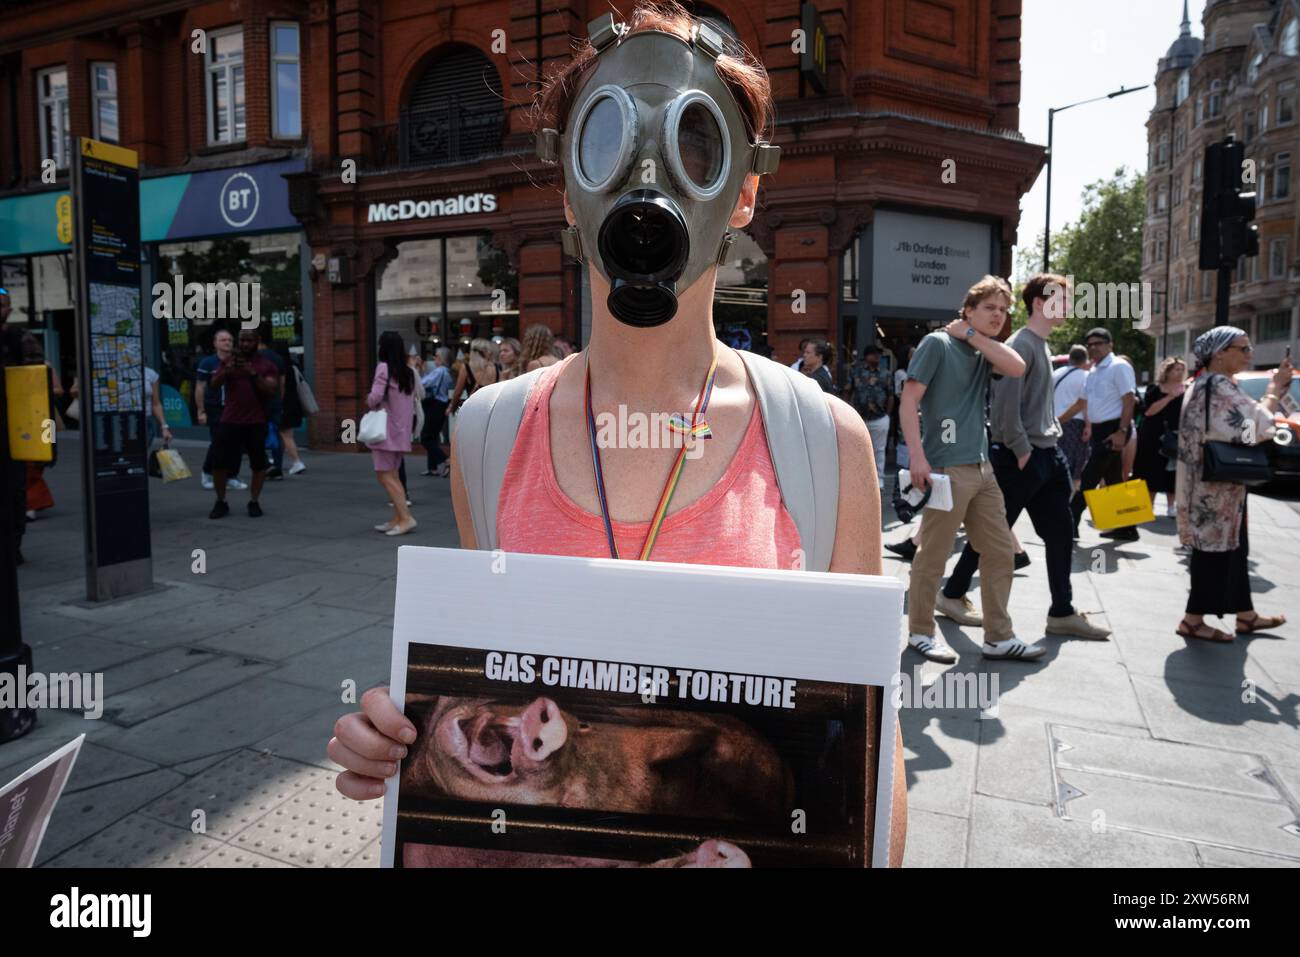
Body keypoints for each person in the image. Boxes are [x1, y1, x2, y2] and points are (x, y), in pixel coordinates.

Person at [327, 1, 907, 865]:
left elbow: (874, 755)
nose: (649, 177)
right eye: (607, 140)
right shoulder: (490, 434)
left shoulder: (823, 442)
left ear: (745, 192)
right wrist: (398, 736)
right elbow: (483, 681)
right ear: (568, 185)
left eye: (694, 145)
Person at [936, 274, 1110, 643]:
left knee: (1060, 532)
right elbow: (1003, 408)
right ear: (1038, 303)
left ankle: (1061, 611)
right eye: (1061, 300)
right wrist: (1022, 450)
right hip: (1022, 457)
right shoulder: (1022, 345)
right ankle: (951, 595)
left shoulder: (1041, 345)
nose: (1067, 307)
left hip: (1047, 453)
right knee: (991, 536)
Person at [901, 275, 1043, 664]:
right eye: (989, 308)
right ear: (968, 309)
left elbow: (1017, 367)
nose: (998, 315)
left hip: (982, 468)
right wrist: (917, 456)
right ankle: (920, 632)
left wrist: (973, 335)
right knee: (934, 554)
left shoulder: (981, 348)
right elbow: (909, 398)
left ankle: (999, 636)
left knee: (999, 551)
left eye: (1003, 310)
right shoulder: (937, 344)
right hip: (946, 465)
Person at [1175, 327, 1290, 642]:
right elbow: (1258, 427)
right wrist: (1274, 390)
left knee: (1234, 548)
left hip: (1214, 484)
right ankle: (1192, 619)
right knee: (1212, 550)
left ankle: (1246, 615)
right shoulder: (1219, 386)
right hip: (1214, 490)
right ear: (1220, 352)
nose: (1249, 353)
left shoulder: (1205, 383)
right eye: (1243, 347)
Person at [1070, 327, 1137, 542]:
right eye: (1090, 344)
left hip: (1114, 429)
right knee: (1114, 479)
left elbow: (1129, 400)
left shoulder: (1119, 367)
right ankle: (1127, 527)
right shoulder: (1094, 371)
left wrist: (1122, 431)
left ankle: (1070, 522)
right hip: (1100, 430)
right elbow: (1083, 403)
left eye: (1098, 343)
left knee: (1089, 477)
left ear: (1110, 345)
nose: (1093, 348)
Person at [208, 328, 278, 519]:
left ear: (257, 340)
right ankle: (220, 501)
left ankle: (254, 501)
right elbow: (213, 385)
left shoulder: (266, 365)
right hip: (229, 419)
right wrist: (226, 371)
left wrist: (252, 373)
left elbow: (271, 390)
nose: (245, 344)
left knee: (258, 464)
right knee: (219, 462)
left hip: (256, 421)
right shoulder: (228, 362)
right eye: (242, 340)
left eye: (249, 340)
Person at [367, 330, 418, 536]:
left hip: (384, 432)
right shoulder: (408, 372)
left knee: (385, 476)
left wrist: (368, 399)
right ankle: (397, 517)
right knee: (393, 475)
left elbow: (375, 398)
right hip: (401, 431)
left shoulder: (383, 368)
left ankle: (406, 518)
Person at [195, 329, 246, 491]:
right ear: (215, 343)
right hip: (216, 408)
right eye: (223, 340)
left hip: (236, 408)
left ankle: (231, 476)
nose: (227, 342)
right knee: (219, 442)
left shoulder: (238, 361)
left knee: (237, 443)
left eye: (230, 340)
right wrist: (201, 410)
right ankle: (207, 472)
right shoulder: (208, 363)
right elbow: (200, 387)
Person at [1133, 356, 1186, 512]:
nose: (1180, 373)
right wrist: (1170, 397)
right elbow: (1149, 412)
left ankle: (1171, 507)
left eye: (1182, 369)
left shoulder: (1186, 390)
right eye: (1176, 369)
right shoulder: (1154, 389)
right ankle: (1148, 506)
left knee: (1173, 471)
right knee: (1151, 470)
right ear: (1167, 371)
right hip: (1153, 435)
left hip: (1175, 435)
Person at [849, 345, 893, 489]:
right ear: (867, 356)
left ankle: (879, 477)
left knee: (879, 450)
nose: (877, 357)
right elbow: (849, 391)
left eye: (878, 355)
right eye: (874, 355)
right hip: (859, 418)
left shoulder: (885, 374)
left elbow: (891, 395)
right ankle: (861, 477)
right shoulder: (856, 372)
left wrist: (887, 413)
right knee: (859, 448)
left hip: (880, 417)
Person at [1052, 344, 1091, 493]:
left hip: (1053, 422)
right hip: (1075, 424)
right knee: (1074, 468)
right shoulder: (1085, 376)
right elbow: (1084, 404)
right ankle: (1068, 500)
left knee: (1057, 463)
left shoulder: (1056, 373)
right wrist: (1089, 425)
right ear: (1085, 359)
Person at [257, 327, 287, 479]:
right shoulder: (277, 358)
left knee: (254, 435)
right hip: (274, 402)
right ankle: (278, 466)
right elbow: (282, 384)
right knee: (275, 433)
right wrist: (278, 400)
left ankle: (266, 465)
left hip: (257, 403)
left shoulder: (253, 358)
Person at [419, 347, 453, 477]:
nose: (434, 359)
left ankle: (446, 460)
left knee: (426, 438)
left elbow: (423, 383)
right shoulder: (446, 372)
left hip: (434, 405)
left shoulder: (439, 371)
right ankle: (432, 468)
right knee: (433, 436)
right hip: (441, 405)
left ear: (442, 359)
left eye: (437, 356)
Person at [277, 345, 307, 475]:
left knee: (285, 434)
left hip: (283, 405)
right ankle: (279, 460)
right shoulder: (293, 365)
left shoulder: (280, 367)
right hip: (293, 404)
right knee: (286, 435)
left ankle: (297, 462)